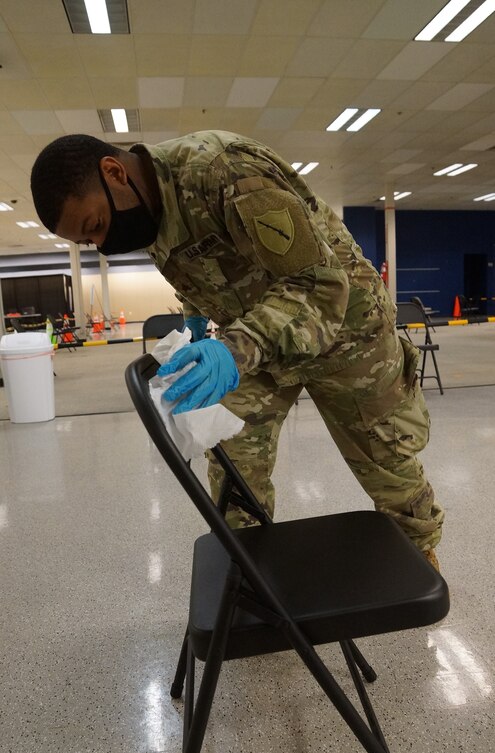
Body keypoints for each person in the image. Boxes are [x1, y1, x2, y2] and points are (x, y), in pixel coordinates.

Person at [30, 130, 444, 569]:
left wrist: (233, 350)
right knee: (232, 453)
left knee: (384, 455)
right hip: (258, 340)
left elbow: (317, 284)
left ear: (114, 173)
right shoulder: (145, 211)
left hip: (345, 327)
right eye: (87, 243)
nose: (102, 245)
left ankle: (418, 556)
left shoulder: (223, 171)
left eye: (95, 226)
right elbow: (196, 268)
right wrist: (194, 320)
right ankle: (248, 567)